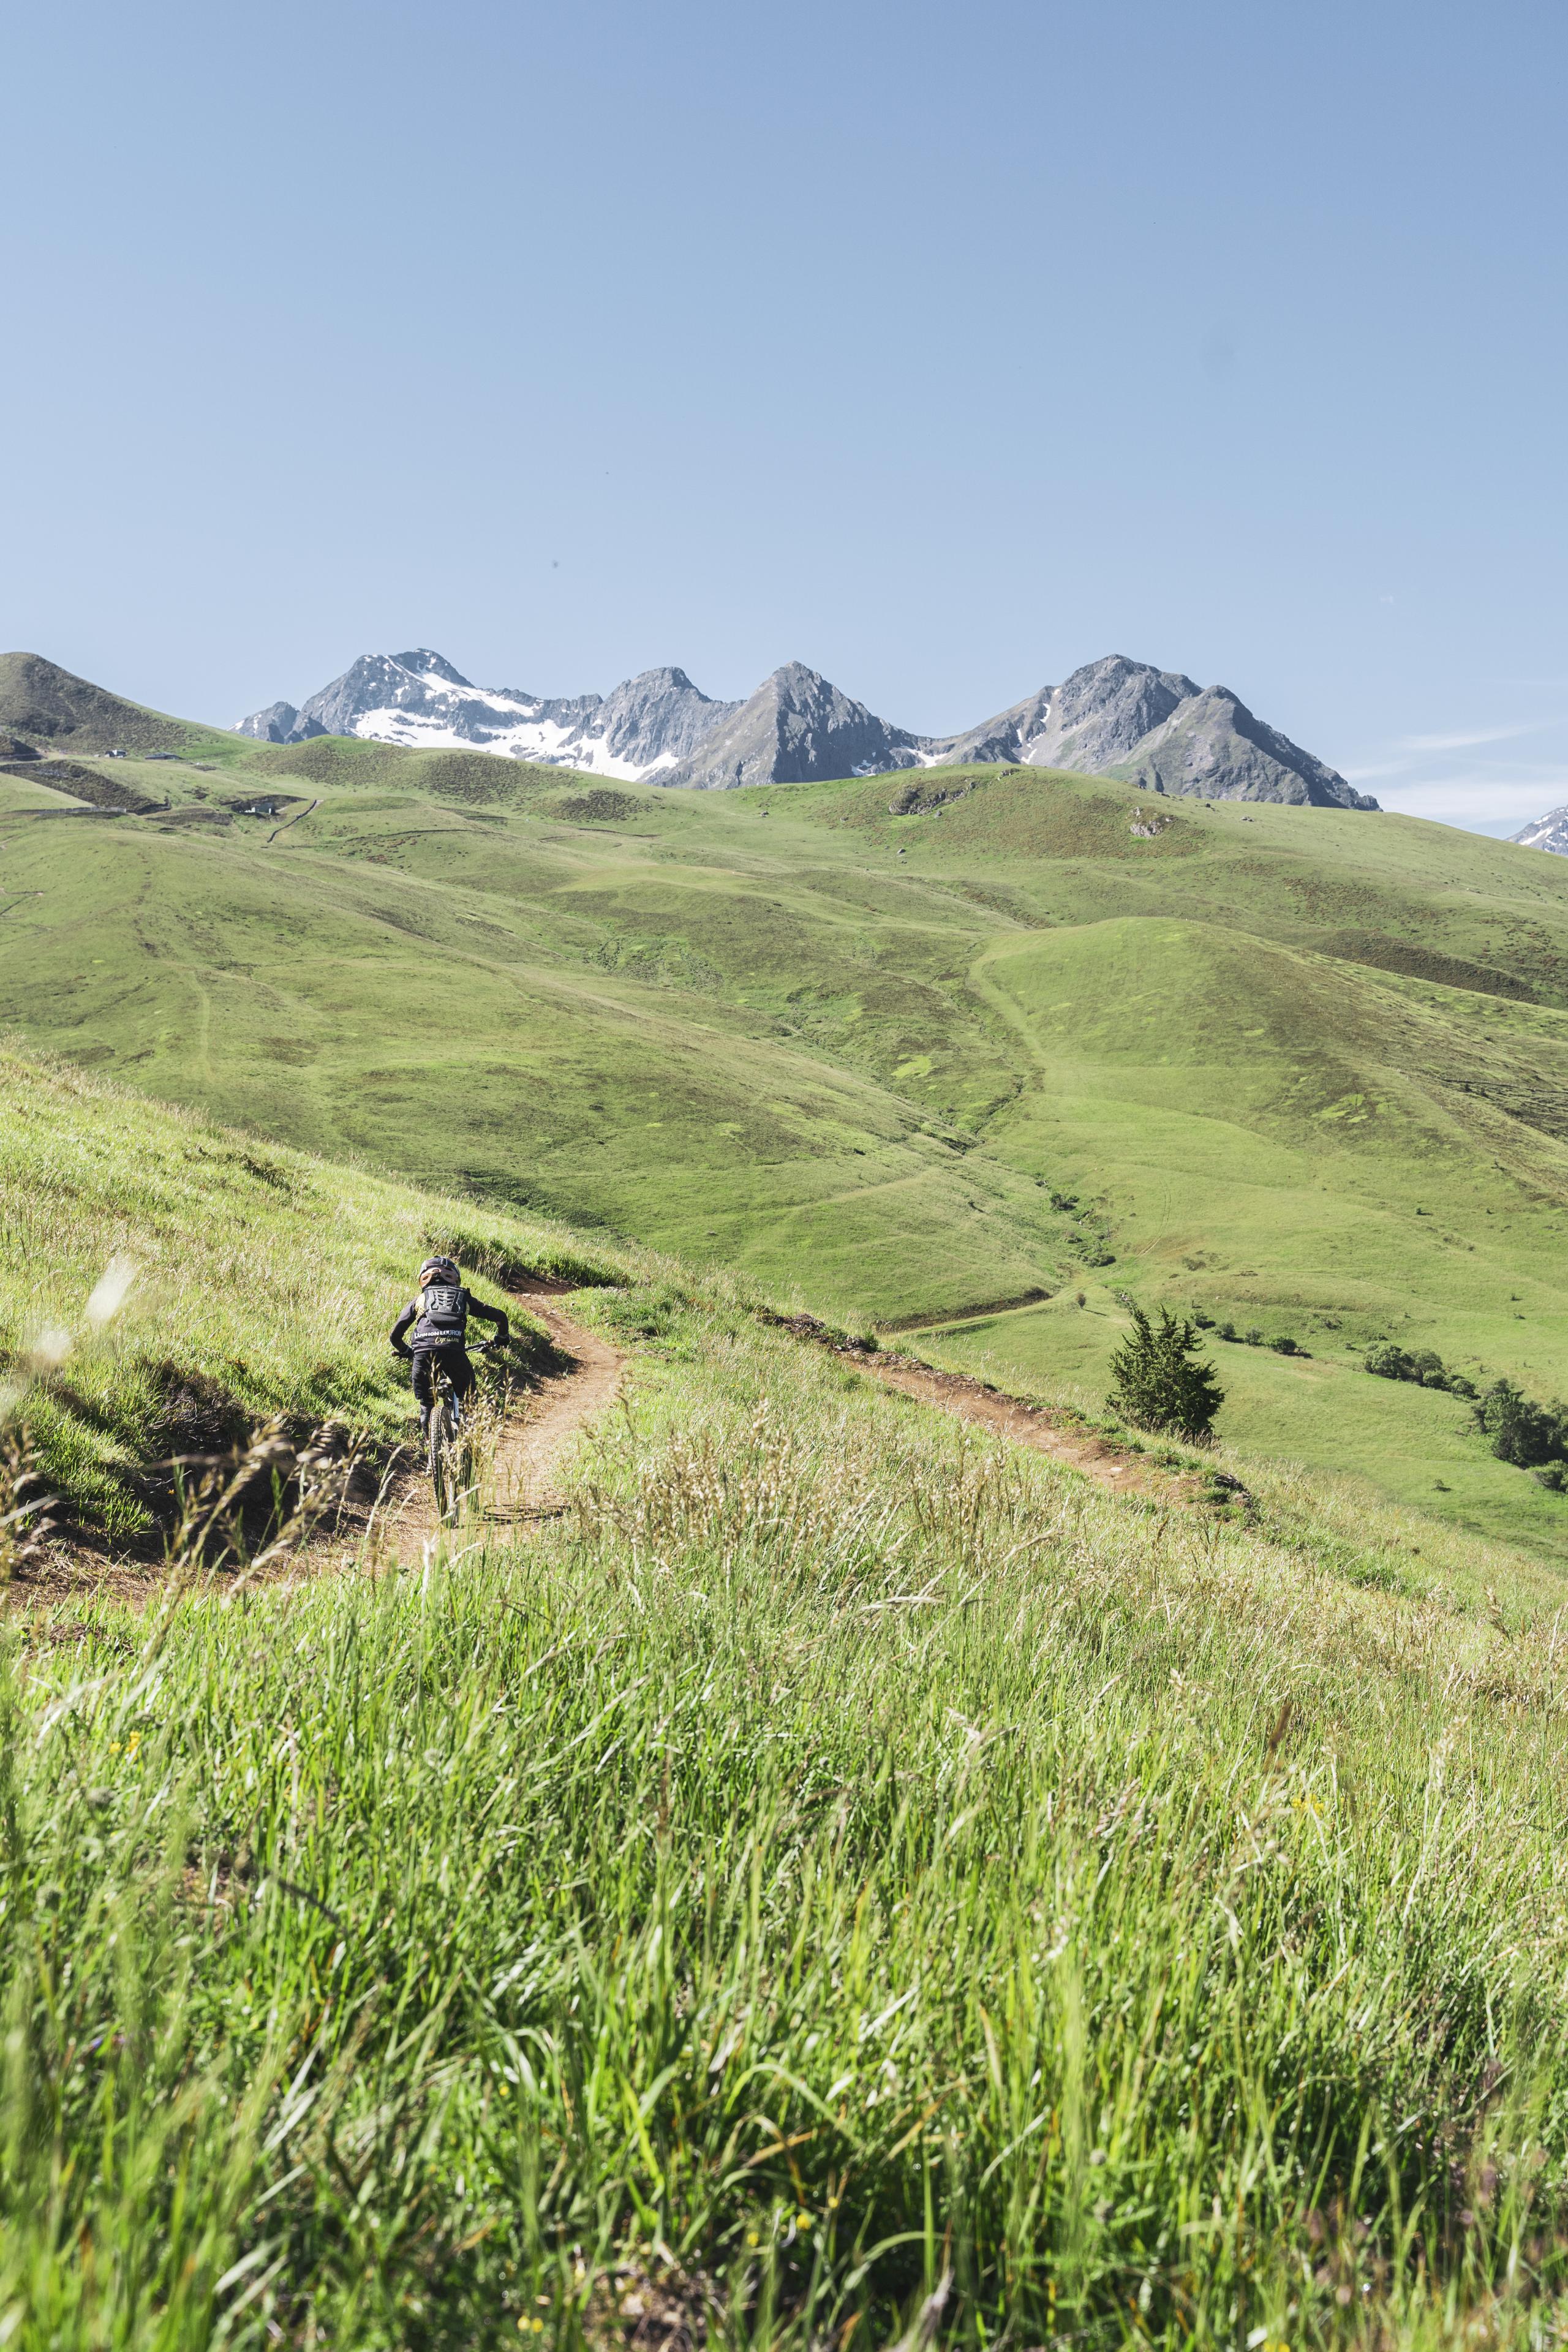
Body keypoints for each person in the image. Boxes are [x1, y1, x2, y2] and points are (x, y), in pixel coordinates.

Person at [390, 1256, 510, 1439]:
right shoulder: (463, 1297)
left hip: (423, 1354)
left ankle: (430, 1452)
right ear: (455, 1278)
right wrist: (501, 1338)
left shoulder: (420, 1300)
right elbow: (500, 1316)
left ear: (423, 1279)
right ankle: (469, 1443)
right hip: (455, 1353)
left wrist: (407, 1352)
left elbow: (395, 1336)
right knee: (469, 1399)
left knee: (426, 1404)